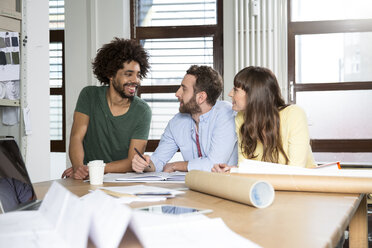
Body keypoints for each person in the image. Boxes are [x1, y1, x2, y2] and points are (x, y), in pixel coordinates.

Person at [62, 38, 151, 179]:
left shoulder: (143, 111)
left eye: (138, 75)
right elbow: (76, 137)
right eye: (129, 74)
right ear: (111, 74)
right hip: (89, 179)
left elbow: (132, 161)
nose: (136, 80)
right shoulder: (89, 96)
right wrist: (78, 168)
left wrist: (93, 169)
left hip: (123, 181)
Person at [132, 65, 238, 173]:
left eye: (184, 89)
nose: (177, 94)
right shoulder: (177, 122)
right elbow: (158, 160)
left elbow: (214, 164)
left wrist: (175, 166)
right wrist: (145, 164)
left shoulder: (226, 113)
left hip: (225, 187)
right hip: (193, 186)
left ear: (201, 97)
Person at [212, 66, 316, 173]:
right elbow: (244, 165)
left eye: (236, 90)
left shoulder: (294, 114)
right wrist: (232, 171)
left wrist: (243, 171)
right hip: (265, 184)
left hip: (303, 185)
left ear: (253, 94)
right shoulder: (241, 118)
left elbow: (296, 172)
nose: (230, 94)